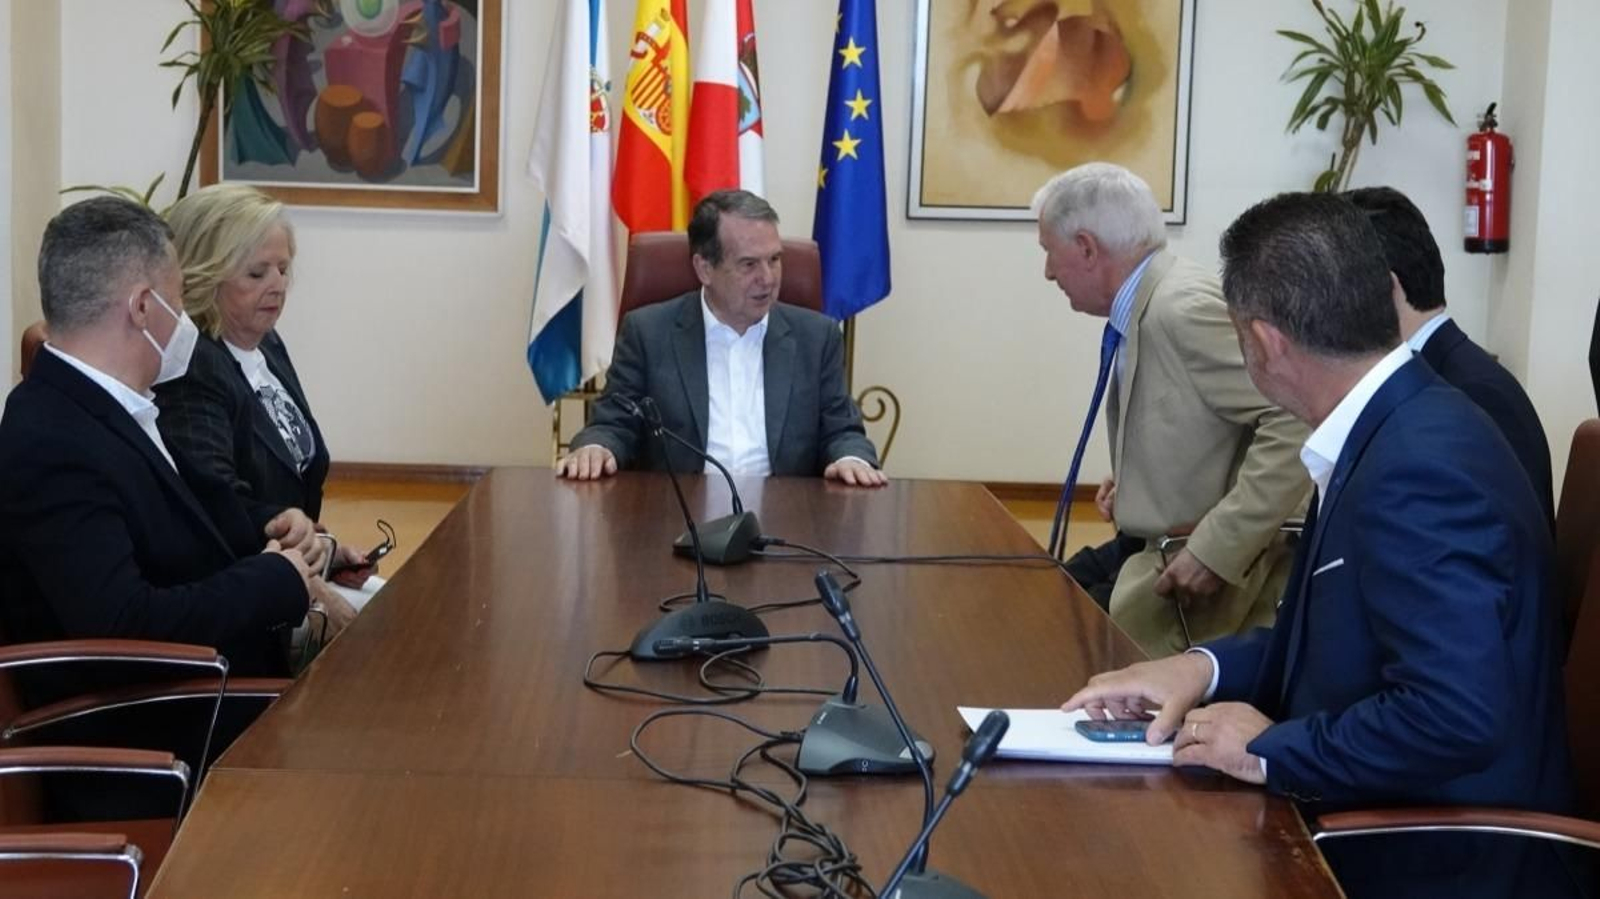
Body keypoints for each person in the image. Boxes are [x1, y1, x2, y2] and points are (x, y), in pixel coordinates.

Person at [1063, 192, 1572, 898]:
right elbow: (1336, 639)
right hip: (1378, 806)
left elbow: (1454, 714)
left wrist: (1269, 750)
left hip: (1431, 851)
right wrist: (1200, 669)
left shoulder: (1421, 464)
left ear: (1265, 342)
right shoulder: (1390, 424)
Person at [0, 197, 327, 813]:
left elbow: (176, 525)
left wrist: (263, 528)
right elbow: (122, 624)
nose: (184, 322)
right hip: (147, 730)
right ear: (143, 308)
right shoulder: (51, 438)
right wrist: (271, 581)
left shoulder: (120, 404)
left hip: (202, 690)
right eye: (178, 302)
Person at [1033, 163, 1309, 657]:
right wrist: (1139, 476)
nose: (1049, 272)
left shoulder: (1180, 309)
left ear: (1087, 248)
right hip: (1145, 542)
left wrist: (1219, 546)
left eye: (1050, 253)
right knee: (1027, 604)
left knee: (1043, 643)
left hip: (1183, 568)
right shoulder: (1152, 297)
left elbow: (1295, 418)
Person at [557, 190, 885, 487]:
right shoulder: (648, 332)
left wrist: (850, 459)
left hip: (787, 518)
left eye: (775, 259)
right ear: (704, 269)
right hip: (675, 518)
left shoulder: (817, 337)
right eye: (748, 264)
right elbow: (614, 422)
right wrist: (596, 448)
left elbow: (842, 430)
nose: (768, 279)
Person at [154, 184, 375, 617]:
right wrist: (312, 587)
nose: (277, 286)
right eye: (257, 274)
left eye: (283, 269)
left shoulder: (265, 344)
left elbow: (293, 477)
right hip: (243, 597)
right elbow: (220, 510)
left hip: (294, 571)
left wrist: (326, 553)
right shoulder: (192, 369)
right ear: (204, 274)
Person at [1344, 186, 1554, 525]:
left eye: (1337, 291)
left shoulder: (1478, 395)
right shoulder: (1431, 372)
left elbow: (1497, 551)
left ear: (1384, 290)